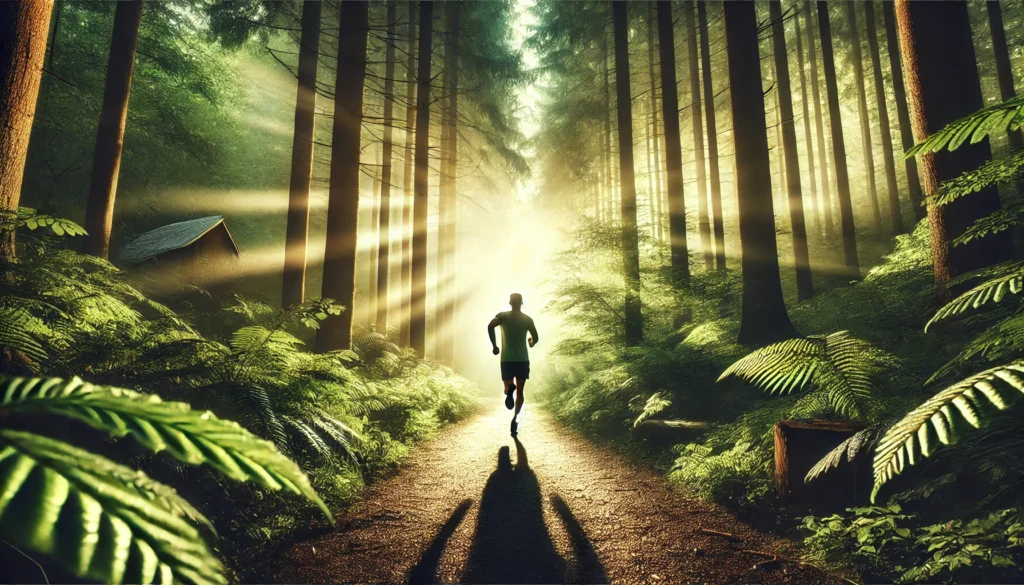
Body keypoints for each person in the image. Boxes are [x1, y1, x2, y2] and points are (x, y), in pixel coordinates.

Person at [487, 293, 538, 436]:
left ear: (510, 302)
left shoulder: (503, 316)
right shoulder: (527, 319)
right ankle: (515, 419)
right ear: (522, 303)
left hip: (507, 360)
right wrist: (531, 343)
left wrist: (495, 346)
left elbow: (490, 326)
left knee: (508, 386)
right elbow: (536, 338)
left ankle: (509, 389)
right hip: (522, 360)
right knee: (520, 393)